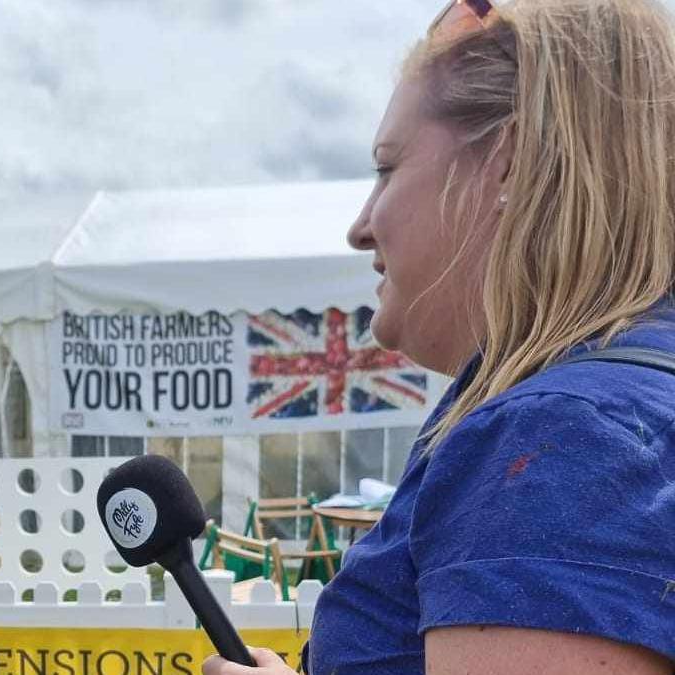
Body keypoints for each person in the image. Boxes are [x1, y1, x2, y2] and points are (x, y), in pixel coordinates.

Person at [203, 1, 675, 674]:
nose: (361, 226)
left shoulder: (556, 440)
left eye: (387, 168)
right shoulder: (620, 398)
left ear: (509, 161)